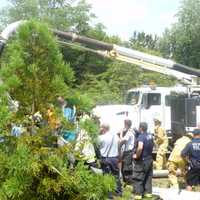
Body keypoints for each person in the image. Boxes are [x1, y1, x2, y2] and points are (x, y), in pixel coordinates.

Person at [98, 123, 122, 199]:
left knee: (106, 176)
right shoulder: (116, 136)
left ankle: (109, 194)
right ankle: (118, 192)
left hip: (106, 159)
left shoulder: (101, 137)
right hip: (115, 158)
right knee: (116, 175)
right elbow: (119, 147)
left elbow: (97, 147)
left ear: (103, 128)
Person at [132, 122, 154, 200]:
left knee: (138, 177)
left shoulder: (141, 137)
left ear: (140, 128)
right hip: (149, 159)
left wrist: (136, 155)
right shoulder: (150, 135)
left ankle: (138, 194)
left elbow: (140, 147)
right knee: (148, 176)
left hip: (142, 160)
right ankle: (148, 193)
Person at [119, 119, 135, 184]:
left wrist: (121, 133)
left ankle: (128, 182)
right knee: (126, 167)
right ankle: (128, 182)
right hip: (129, 152)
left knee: (126, 168)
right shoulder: (131, 131)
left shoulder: (129, 132)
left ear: (126, 124)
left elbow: (122, 141)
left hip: (128, 152)